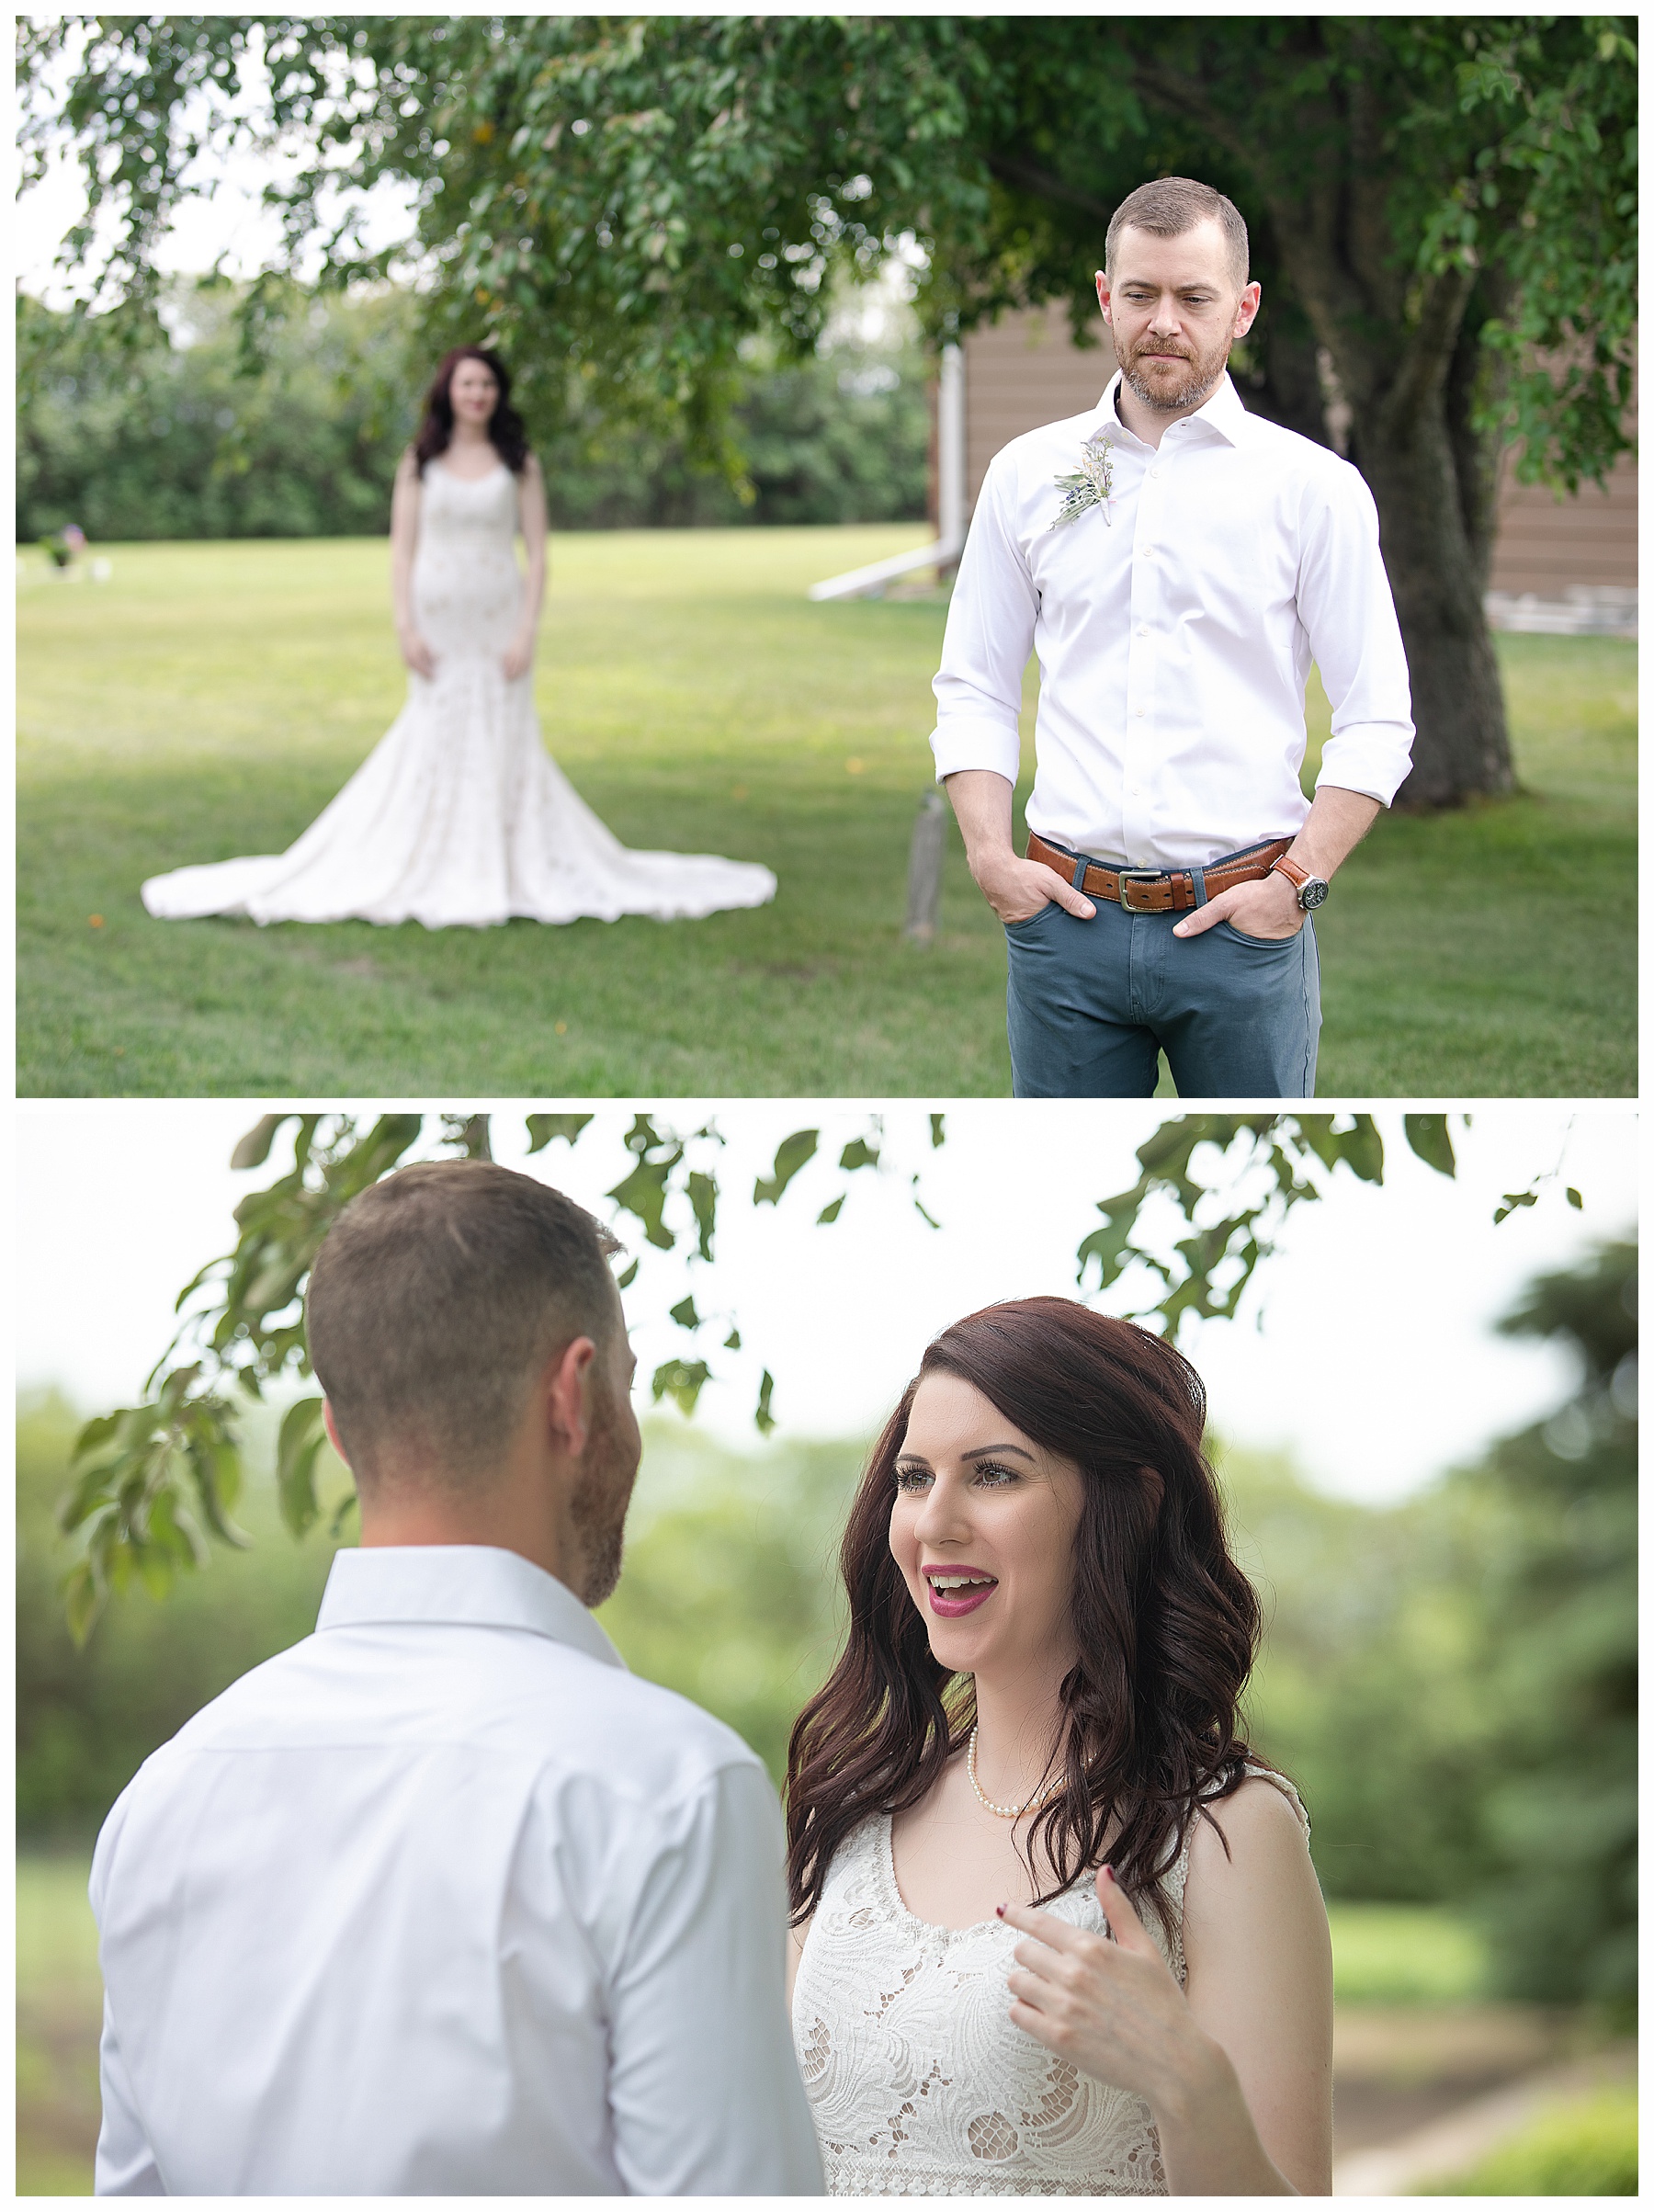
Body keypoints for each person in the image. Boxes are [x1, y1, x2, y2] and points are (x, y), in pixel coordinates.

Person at [88, 1160, 822, 2195]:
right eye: (624, 1380)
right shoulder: (670, 1788)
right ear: (574, 1397)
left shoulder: (160, 1798)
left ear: (341, 1434)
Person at [785, 1298, 1332, 2195]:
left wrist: (1184, 2078)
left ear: (1130, 1504)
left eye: (995, 1474)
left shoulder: (1227, 1831)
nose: (934, 1522)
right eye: (915, 1476)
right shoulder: (851, 1805)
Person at [933, 177, 1415, 1097]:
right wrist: (992, 859)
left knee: (1265, 1178)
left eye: (1194, 298)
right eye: (1142, 294)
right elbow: (975, 686)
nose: (1165, 322)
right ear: (1106, 296)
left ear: (1243, 309)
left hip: (1243, 929)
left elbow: (1377, 719)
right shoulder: (1027, 473)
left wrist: (1296, 885)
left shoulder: (1313, 489)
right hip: (1063, 931)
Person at [140, 346, 777, 928]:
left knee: (505, 728)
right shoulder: (420, 463)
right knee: (436, 729)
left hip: (499, 615)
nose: (478, 394)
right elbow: (400, 552)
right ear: (449, 391)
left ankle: (507, 857)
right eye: (468, 383)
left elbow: (539, 553)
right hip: (438, 618)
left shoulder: (519, 464)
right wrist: (404, 625)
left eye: (488, 384)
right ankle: (430, 851)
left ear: (499, 395)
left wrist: (528, 629)